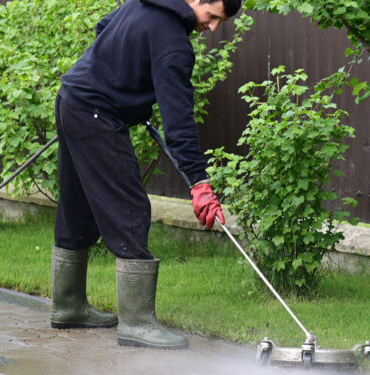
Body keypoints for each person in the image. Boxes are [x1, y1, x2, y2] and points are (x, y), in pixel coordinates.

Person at [50, 0, 238, 349]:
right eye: (211, 16)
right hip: (96, 116)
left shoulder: (140, 3)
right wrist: (199, 183)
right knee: (130, 208)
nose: (212, 28)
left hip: (72, 100)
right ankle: (137, 324)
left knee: (77, 207)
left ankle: (68, 305)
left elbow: (104, 29)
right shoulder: (173, 44)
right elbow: (178, 121)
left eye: (219, 22)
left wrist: (126, 90)